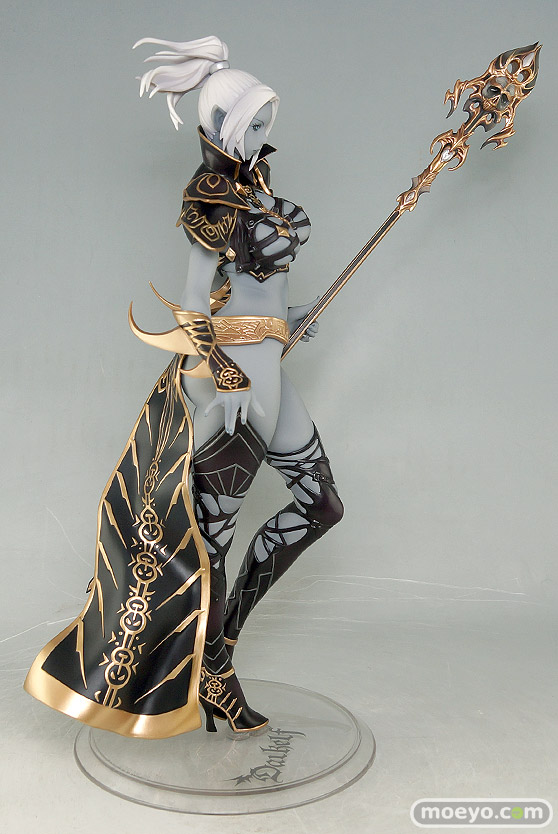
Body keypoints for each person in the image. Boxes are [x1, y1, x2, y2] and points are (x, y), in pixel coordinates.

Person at [24, 35, 343, 739]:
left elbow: (255, 294)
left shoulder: (258, 188)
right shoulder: (209, 200)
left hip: (269, 371)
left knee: (321, 505)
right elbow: (196, 305)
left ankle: (220, 646)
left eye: (267, 122)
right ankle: (214, 676)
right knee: (209, 547)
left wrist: (287, 318)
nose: (263, 136)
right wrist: (226, 371)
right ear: (223, 128)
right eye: (253, 124)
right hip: (229, 385)